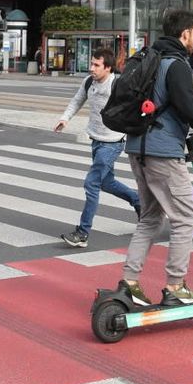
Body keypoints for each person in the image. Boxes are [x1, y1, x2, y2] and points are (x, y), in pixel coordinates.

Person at [119, 9, 193, 307]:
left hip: (137, 147)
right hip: (163, 151)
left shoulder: (149, 58)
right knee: (186, 217)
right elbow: (189, 105)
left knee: (150, 217)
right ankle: (176, 285)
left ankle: (130, 280)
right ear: (185, 33)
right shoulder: (175, 64)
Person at [55, 47, 140, 248]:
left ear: (108, 68)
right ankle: (139, 202)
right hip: (96, 139)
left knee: (92, 183)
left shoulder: (117, 85)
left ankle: (83, 233)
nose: (91, 68)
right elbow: (76, 101)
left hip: (112, 142)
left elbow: (133, 108)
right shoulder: (88, 82)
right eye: (91, 64)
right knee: (106, 182)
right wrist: (64, 119)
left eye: (96, 65)